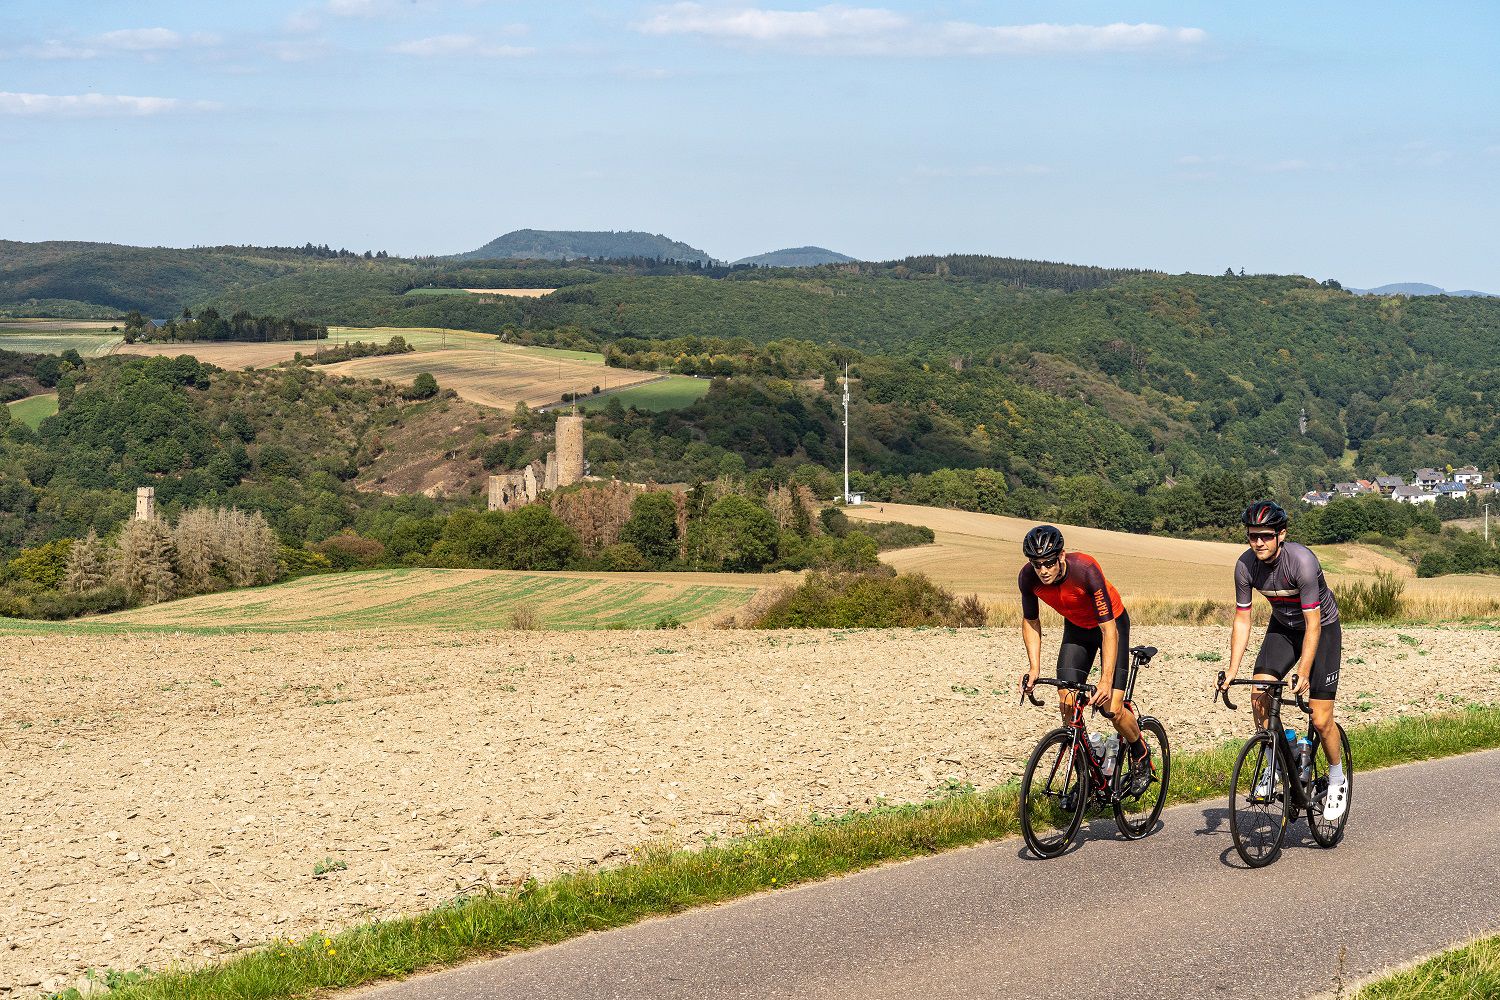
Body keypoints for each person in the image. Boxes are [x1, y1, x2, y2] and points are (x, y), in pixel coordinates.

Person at [1217, 500, 1347, 821]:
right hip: (1283, 628)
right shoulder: (1245, 566)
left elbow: (1313, 625)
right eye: (1252, 536)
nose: (1258, 542)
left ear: (1281, 535)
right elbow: (1242, 620)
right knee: (1258, 693)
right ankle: (1278, 755)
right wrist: (1233, 669)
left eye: (1266, 535)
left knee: (1319, 718)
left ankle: (1336, 778)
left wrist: (1304, 670)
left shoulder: (1301, 562)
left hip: (1321, 628)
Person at [1017, 524, 1154, 798]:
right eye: (1036, 564)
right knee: (1067, 701)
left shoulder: (1086, 569)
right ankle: (1087, 772)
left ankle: (1140, 752)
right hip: (1077, 629)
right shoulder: (1027, 578)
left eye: (1048, 563)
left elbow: (1108, 631)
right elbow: (1031, 621)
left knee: (1111, 709)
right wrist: (1034, 668)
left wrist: (1104, 681)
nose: (1043, 570)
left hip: (1111, 626)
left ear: (1062, 556)